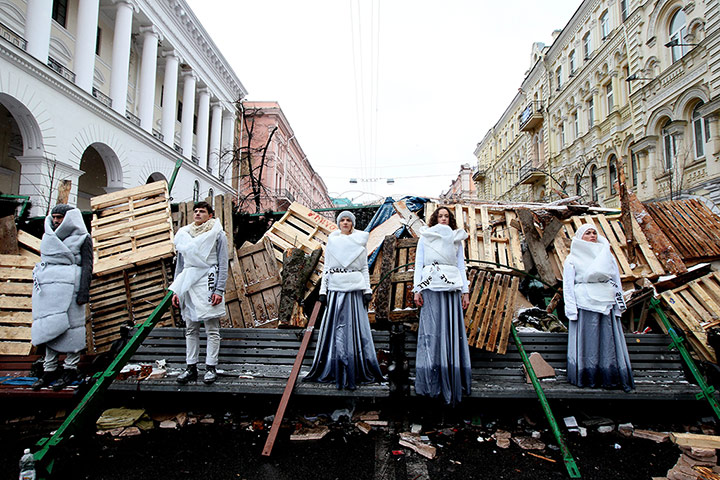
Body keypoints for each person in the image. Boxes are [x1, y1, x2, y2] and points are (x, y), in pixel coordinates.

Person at [304, 211, 384, 389]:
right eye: (342, 220)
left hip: (354, 290)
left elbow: (364, 267)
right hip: (335, 290)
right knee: (335, 330)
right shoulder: (332, 242)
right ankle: (335, 365)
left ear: (353, 224)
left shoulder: (360, 243)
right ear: (339, 223)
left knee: (355, 328)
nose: (345, 223)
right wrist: (323, 291)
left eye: (349, 220)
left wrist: (367, 289)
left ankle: (355, 366)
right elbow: (327, 269)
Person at [563, 223, 634, 392]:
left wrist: (619, 304)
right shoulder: (573, 258)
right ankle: (588, 375)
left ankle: (609, 375)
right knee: (588, 339)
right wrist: (571, 308)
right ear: (581, 237)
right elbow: (568, 284)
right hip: (585, 300)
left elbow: (616, 279)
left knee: (607, 339)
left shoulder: (606, 255)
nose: (592, 235)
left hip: (606, 299)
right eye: (588, 233)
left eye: (594, 232)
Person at [412, 206, 471, 406]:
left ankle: (451, 375)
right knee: (430, 331)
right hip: (430, 287)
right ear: (434, 218)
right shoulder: (426, 237)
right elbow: (418, 264)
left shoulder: (456, 239)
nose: (443, 218)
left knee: (450, 332)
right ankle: (429, 378)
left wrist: (465, 291)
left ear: (451, 219)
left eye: (446, 216)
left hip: (451, 288)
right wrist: (416, 289)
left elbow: (461, 266)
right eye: (440, 215)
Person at [31, 205, 92, 391]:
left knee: (71, 331)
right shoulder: (48, 237)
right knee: (50, 329)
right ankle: (49, 369)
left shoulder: (83, 237)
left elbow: (88, 266)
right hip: (49, 292)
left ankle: (70, 368)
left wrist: (83, 292)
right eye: (55, 217)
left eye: (60, 218)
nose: (56, 221)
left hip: (71, 291)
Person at [170, 201, 228, 385]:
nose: (197, 214)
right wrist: (177, 290)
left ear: (210, 215)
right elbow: (180, 264)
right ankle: (191, 367)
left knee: (212, 328)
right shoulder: (184, 235)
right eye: (195, 211)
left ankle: (210, 367)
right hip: (189, 282)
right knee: (190, 328)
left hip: (208, 281)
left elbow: (223, 263)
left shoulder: (217, 234)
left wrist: (219, 289)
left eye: (202, 211)